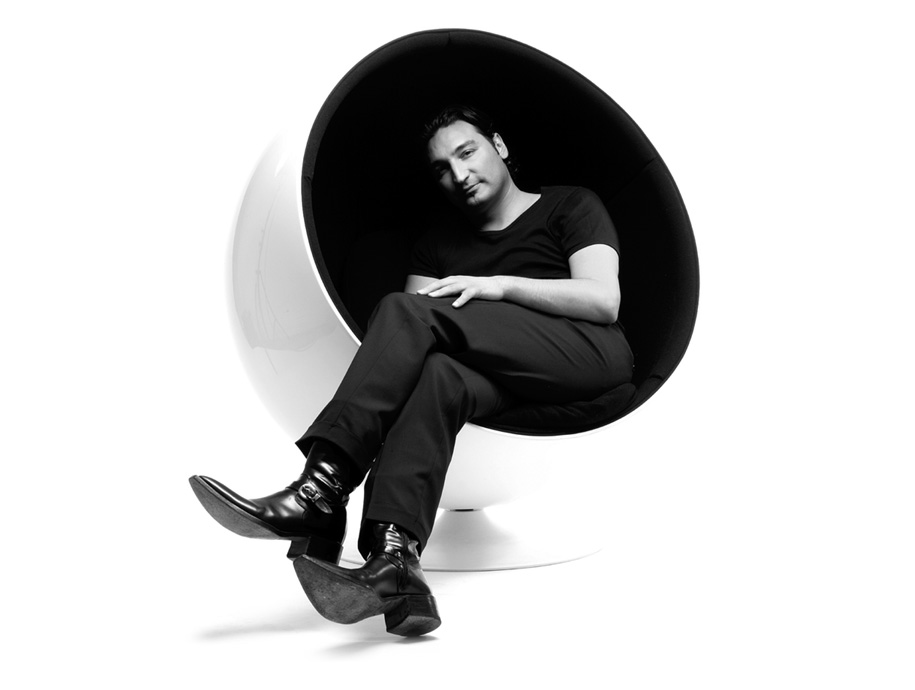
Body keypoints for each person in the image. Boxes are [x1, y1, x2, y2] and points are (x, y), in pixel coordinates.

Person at [189, 105, 633, 637]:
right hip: (502, 387)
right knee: (437, 373)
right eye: (443, 168)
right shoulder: (438, 243)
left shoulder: (568, 205)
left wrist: (498, 286)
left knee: (405, 311)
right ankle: (396, 560)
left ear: (499, 146)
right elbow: (407, 349)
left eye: (467, 152)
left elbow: (602, 299)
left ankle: (321, 491)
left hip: (587, 359)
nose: (459, 174)